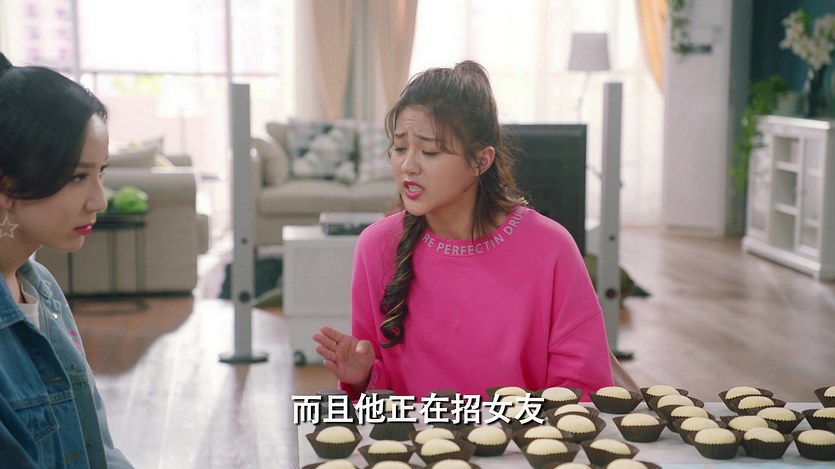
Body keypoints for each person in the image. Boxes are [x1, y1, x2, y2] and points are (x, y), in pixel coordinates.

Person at [314, 60, 620, 402]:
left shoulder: (550, 247)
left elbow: (582, 387)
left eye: (430, 151)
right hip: (417, 436)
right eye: (399, 148)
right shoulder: (377, 246)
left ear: (480, 161)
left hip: (525, 436)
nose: (408, 165)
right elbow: (381, 397)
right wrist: (363, 377)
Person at [0, 53, 133, 467]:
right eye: (78, 176)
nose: (99, 201)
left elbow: (99, 450)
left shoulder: (41, 288)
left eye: (100, 172)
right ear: (6, 184)